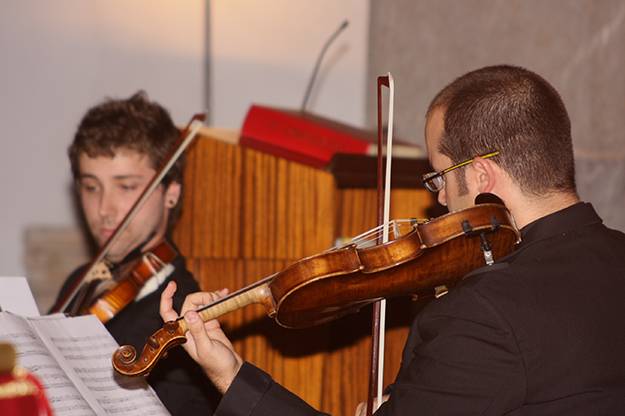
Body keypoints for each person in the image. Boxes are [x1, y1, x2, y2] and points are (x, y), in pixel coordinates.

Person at [160, 65, 625, 414]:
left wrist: (231, 375)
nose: (439, 199)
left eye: (439, 176)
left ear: (482, 174)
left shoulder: (485, 310)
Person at [50, 91, 219, 415]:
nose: (104, 210)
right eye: (91, 187)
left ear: (171, 193)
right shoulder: (81, 281)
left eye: (126, 186)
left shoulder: (183, 317)